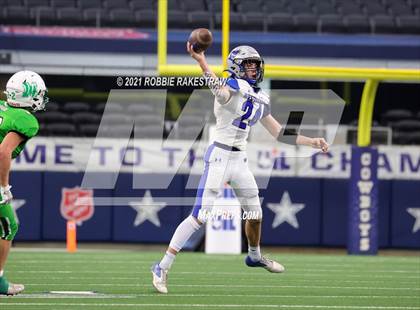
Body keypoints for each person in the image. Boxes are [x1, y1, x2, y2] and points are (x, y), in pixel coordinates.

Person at [151, 44, 329, 294]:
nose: (254, 69)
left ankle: (254, 256)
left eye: (256, 64)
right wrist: (201, 61)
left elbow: (278, 132)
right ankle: (162, 266)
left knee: (255, 214)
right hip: (220, 156)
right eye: (248, 64)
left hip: (240, 160)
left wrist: (312, 141)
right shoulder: (230, 87)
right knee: (199, 216)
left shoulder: (259, 96)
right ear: (237, 66)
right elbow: (219, 92)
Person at [0, 70, 48, 295]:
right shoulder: (25, 120)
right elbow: (3, 151)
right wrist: (3, 186)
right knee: (9, 225)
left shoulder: (3, 108)